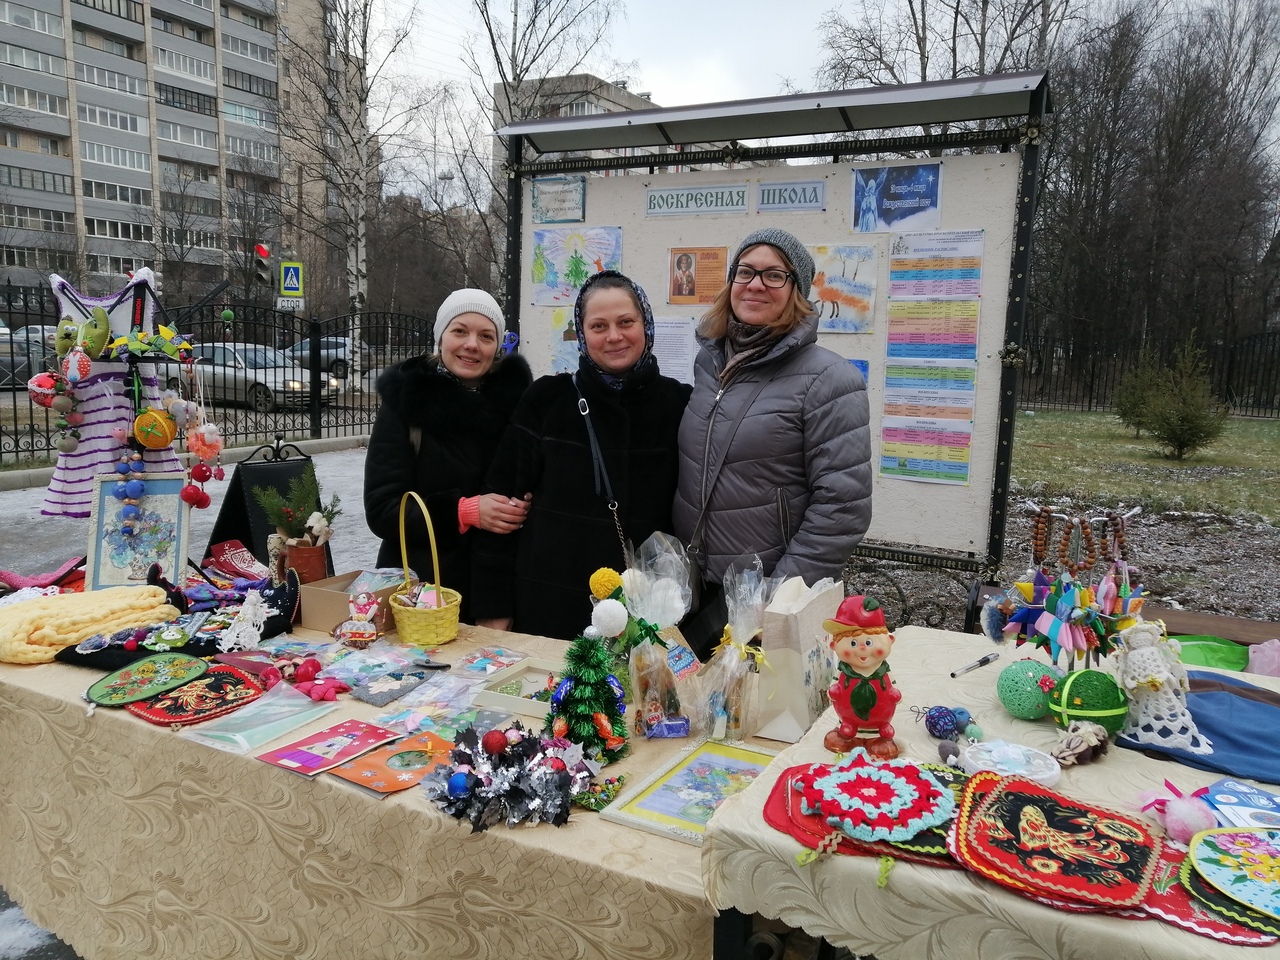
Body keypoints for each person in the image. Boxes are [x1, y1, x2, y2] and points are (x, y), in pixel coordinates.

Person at [472, 271, 690, 641]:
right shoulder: (546, 400)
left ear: (646, 325)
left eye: (626, 322)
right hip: (548, 608)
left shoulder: (681, 404)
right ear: (582, 332)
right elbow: (502, 510)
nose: (614, 336)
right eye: (598, 325)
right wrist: (493, 609)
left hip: (648, 614)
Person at [673, 227, 872, 611]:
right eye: (745, 271)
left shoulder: (829, 378)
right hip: (695, 585)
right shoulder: (710, 363)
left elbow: (843, 506)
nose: (756, 285)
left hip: (765, 593)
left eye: (774, 275)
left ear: (796, 290)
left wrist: (778, 596)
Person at [363, 289, 531, 623]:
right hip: (420, 598)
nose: (472, 344)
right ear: (441, 337)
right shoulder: (406, 405)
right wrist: (462, 511)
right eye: (460, 331)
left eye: (486, 336)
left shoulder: (519, 407)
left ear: (497, 347)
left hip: (496, 597)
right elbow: (382, 509)